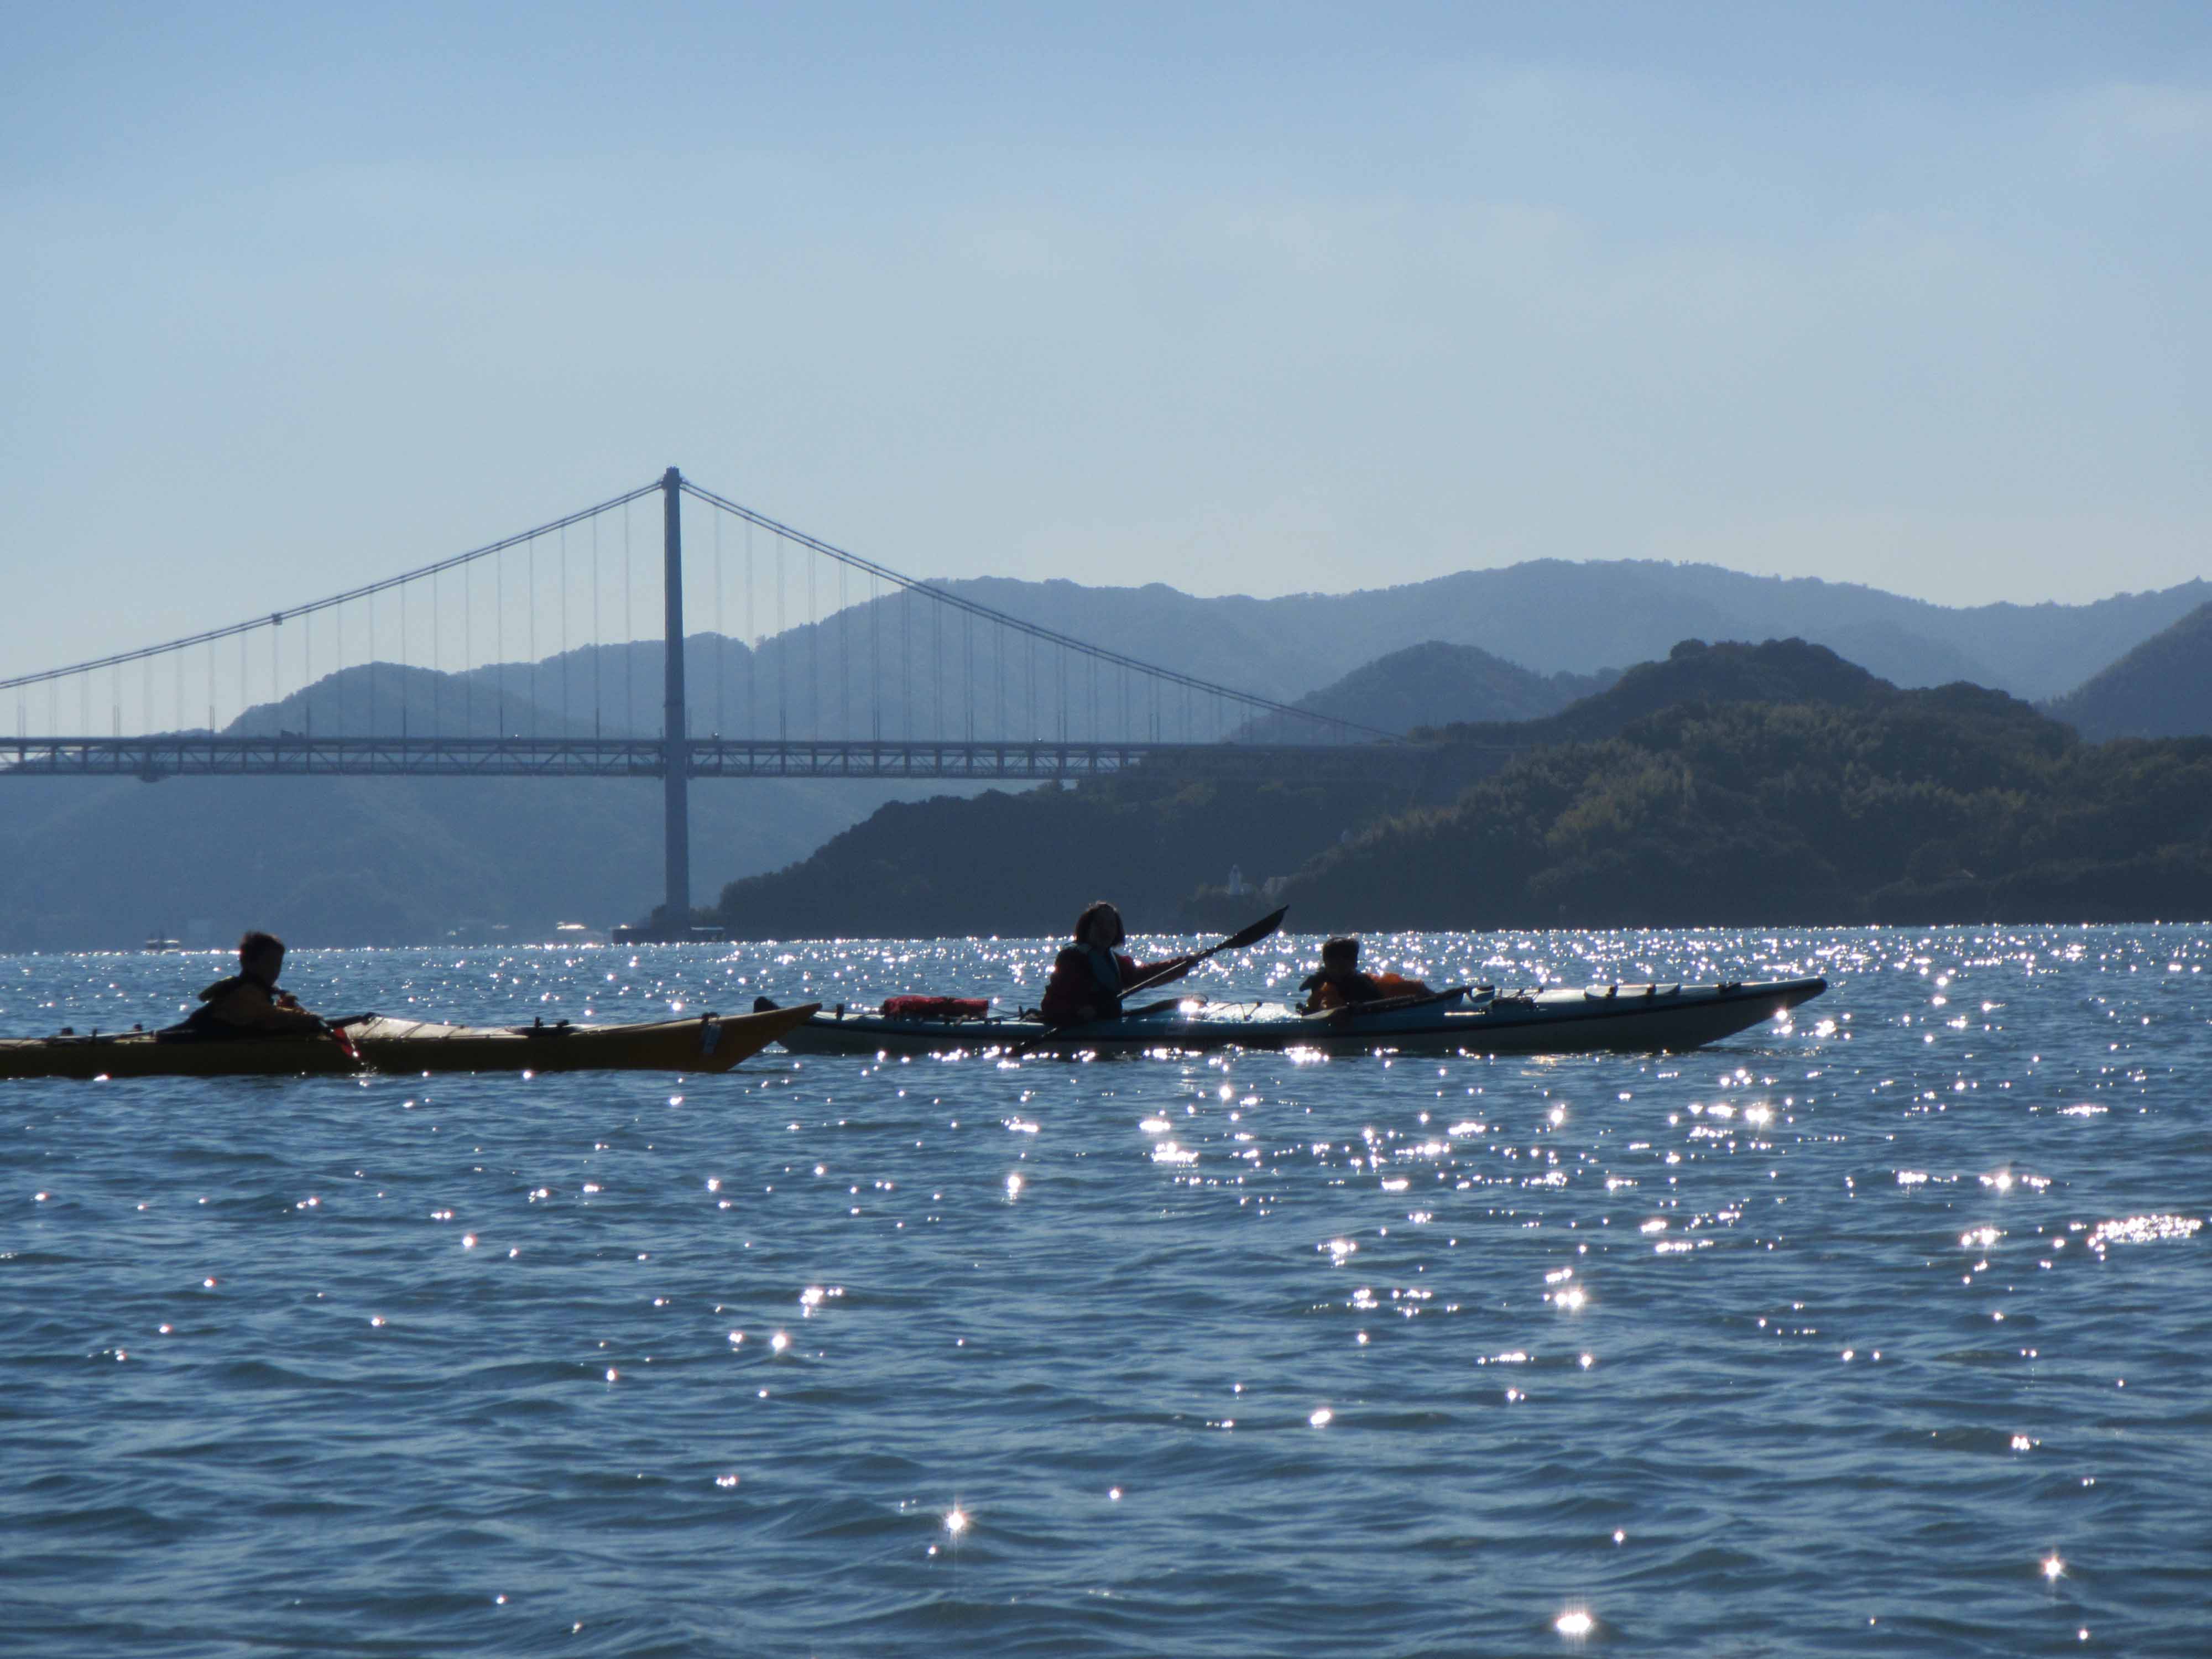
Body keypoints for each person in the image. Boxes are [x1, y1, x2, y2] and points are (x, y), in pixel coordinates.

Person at [1038, 901, 1199, 1027]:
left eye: (1111, 925)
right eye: (1100, 924)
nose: (1105, 931)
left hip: (1105, 1022)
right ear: (1087, 928)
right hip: (1078, 1025)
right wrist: (1076, 1013)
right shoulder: (1072, 960)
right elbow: (1050, 1005)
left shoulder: (1112, 960)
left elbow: (1144, 976)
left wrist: (1183, 964)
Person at [174, 931, 330, 1037]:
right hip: (192, 1041)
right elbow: (272, 1016)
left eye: (278, 964)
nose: (274, 970)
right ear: (248, 963)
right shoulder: (245, 993)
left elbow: (265, 1015)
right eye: (268, 963)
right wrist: (311, 1019)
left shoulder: (254, 991)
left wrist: (289, 1008)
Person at [1298, 937, 1431, 1013]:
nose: (1338, 969)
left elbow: (1374, 998)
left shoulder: (1361, 983)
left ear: (1354, 963)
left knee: (1410, 987)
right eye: (1333, 964)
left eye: (1343, 963)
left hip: (1376, 998)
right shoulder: (1323, 985)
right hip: (1337, 1008)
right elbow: (1325, 1006)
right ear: (1326, 963)